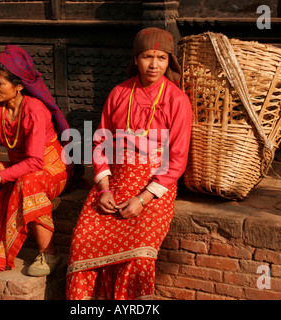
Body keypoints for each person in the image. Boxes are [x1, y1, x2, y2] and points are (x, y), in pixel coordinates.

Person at [66, 27, 192, 299]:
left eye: (161, 58)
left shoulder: (177, 100)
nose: (154, 64)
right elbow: (100, 144)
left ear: (169, 61)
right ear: (136, 59)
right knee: (82, 241)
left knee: (138, 255)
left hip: (155, 186)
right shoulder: (119, 93)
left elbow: (178, 158)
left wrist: (143, 199)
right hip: (115, 180)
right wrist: (104, 188)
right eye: (148, 56)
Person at [0, 45, 73, 277]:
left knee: (28, 183)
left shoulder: (35, 110)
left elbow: (35, 162)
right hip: (20, 165)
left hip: (50, 167)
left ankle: (49, 253)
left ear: (19, 85)